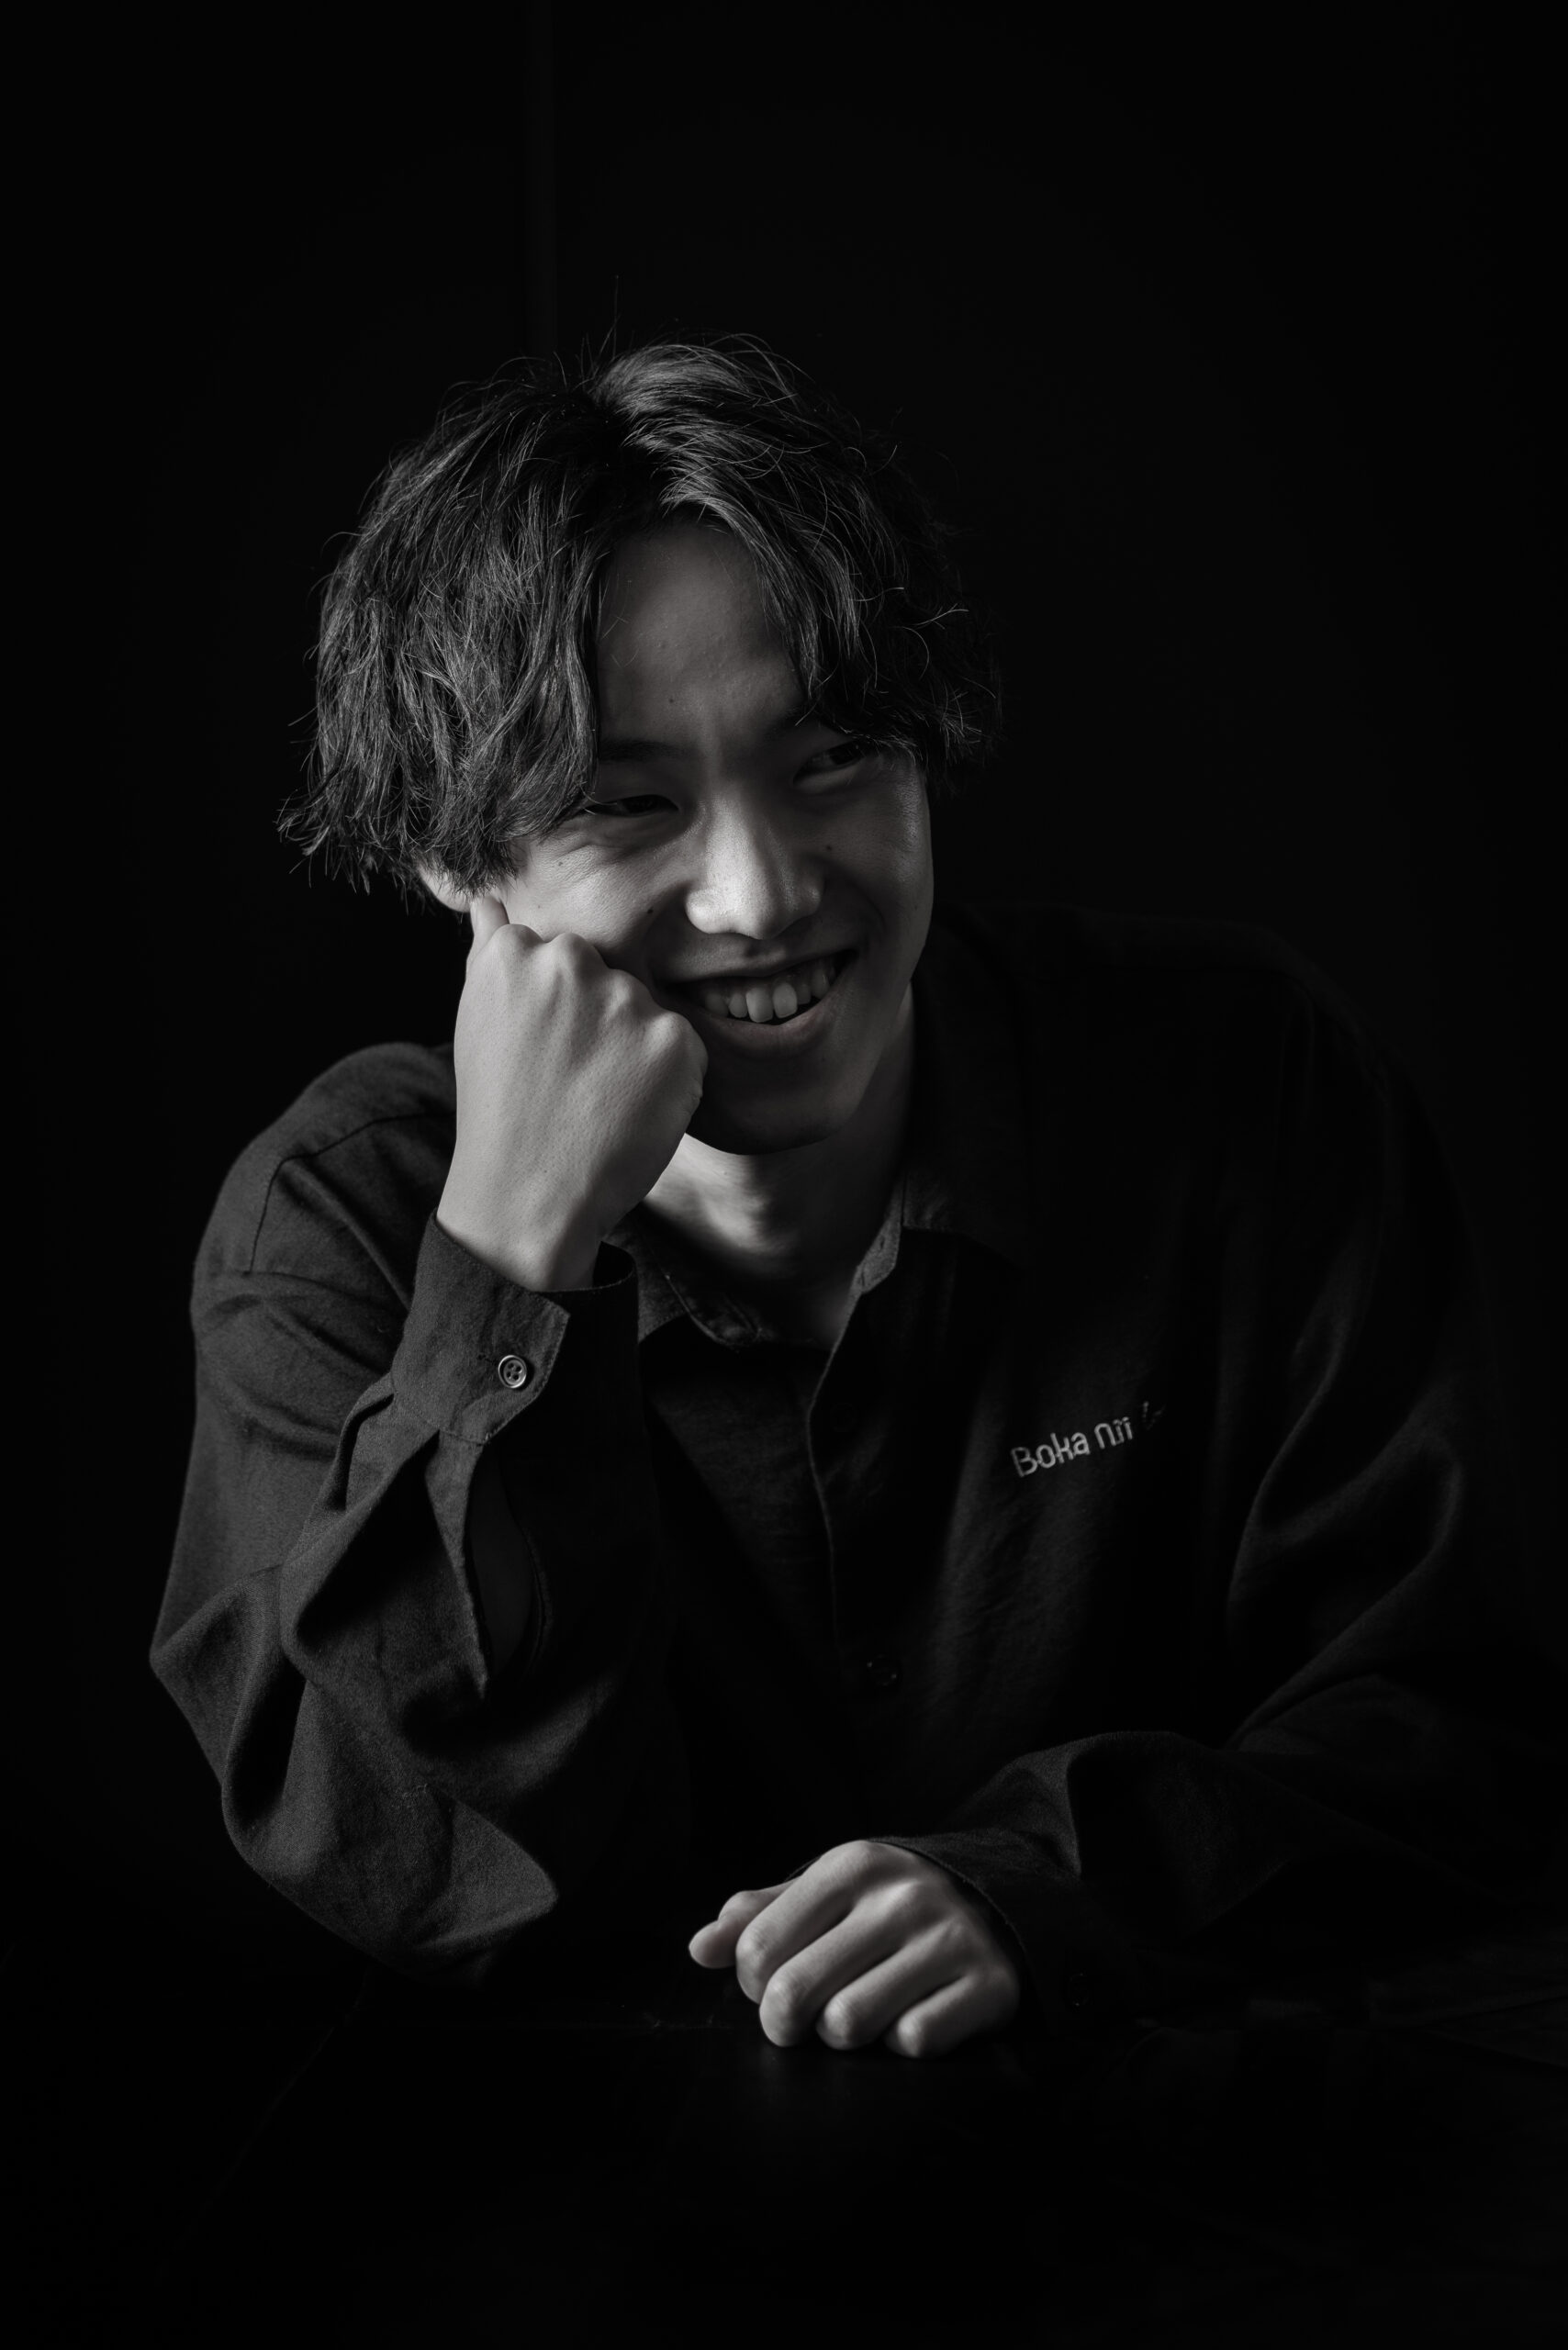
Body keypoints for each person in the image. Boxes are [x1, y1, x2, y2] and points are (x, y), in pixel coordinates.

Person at [151, 336, 1561, 2059]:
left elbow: (1451, 1722)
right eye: (627, 805)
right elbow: (399, 1865)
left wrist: (1057, 1884)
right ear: (460, 861)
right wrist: (512, 1258)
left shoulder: (1246, 1081)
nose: (760, 895)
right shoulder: (336, 1229)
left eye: (831, 761)